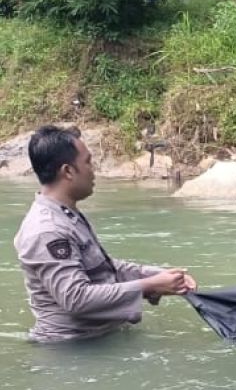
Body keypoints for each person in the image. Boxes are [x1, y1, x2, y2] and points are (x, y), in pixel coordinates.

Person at [12, 126, 197, 342]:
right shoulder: (48, 229)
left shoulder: (67, 215)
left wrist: (156, 275)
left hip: (97, 341)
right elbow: (76, 298)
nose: (93, 170)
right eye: (88, 162)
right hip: (70, 350)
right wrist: (151, 285)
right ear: (68, 171)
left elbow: (103, 268)